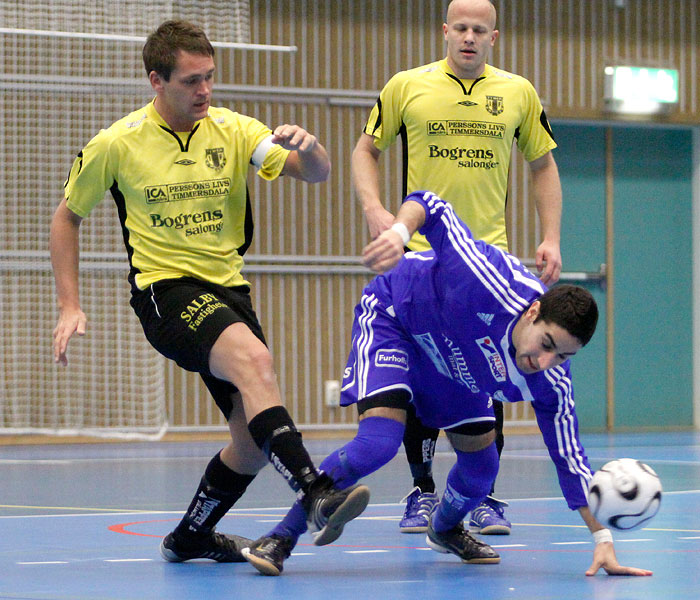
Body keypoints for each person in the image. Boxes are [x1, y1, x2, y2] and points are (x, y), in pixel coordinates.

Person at [50, 19, 369, 563]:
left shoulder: (235, 129)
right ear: (157, 80)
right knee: (254, 358)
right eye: (191, 81)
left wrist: (312, 149)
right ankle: (314, 491)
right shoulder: (116, 143)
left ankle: (191, 535)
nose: (204, 91)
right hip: (165, 291)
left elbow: (313, 174)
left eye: (210, 78)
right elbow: (67, 218)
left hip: (229, 290)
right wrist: (69, 305)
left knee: (248, 442)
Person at [241, 190, 652, 578]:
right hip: (396, 318)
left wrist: (602, 538)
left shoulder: (551, 382)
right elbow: (430, 204)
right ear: (533, 311)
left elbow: (570, 457)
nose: (544, 362)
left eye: (562, 355)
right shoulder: (486, 277)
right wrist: (400, 233)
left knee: (481, 468)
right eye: (546, 344)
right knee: (378, 444)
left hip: (453, 365)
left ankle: (445, 527)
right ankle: (280, 537)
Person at [351, 0, 563, 535]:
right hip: (421, 253)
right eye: (461, 28)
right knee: (426, 371)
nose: (469, 37)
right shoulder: (407, 86)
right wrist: (376, 209)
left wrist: (551, 236)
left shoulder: (518, 92)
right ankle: (421, 492)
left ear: (495, 36)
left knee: (489, 372)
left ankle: (483, 497)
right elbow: (365, 150)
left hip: (487, 258)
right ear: (445, 31)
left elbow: (542, 166)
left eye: (480, 30)